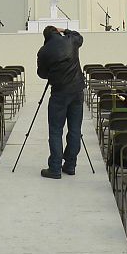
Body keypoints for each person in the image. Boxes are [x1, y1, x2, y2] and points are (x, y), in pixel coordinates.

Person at [37, 25, 85, 179]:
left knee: (56, 130)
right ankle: (70, 165)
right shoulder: (70, 40)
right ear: (57, 32)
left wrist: (53, 71)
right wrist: (65, 30)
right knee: (75, 130)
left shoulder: (43, 51)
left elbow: (42, 74)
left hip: (59, 93)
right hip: (77, 91)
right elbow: (80, 37)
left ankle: (55, 168)